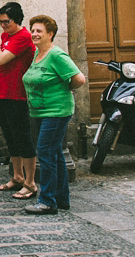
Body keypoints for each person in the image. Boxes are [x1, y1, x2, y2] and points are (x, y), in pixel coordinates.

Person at [21, 15, 86, 215]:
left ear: (50, 34)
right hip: (40, 111)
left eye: (39, 31)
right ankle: (61, 198)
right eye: (33, 30)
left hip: (56, 111)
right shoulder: (38, 54)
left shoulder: (57, 55)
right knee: (55, 154)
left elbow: (79, 79)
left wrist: (67, 88)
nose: (34, 34)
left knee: (46, 152)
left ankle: (47, 201)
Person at [0, 2, 37, 200]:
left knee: (22, 136)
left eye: (6, 21)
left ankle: (30, 183)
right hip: (1, 92)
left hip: (16, 93)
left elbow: (3, 58)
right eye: (0, 21)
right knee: (10, 135)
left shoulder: (23, 37)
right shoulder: (6, 36)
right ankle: (17, 176)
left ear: (17, 19)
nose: (3, 26)